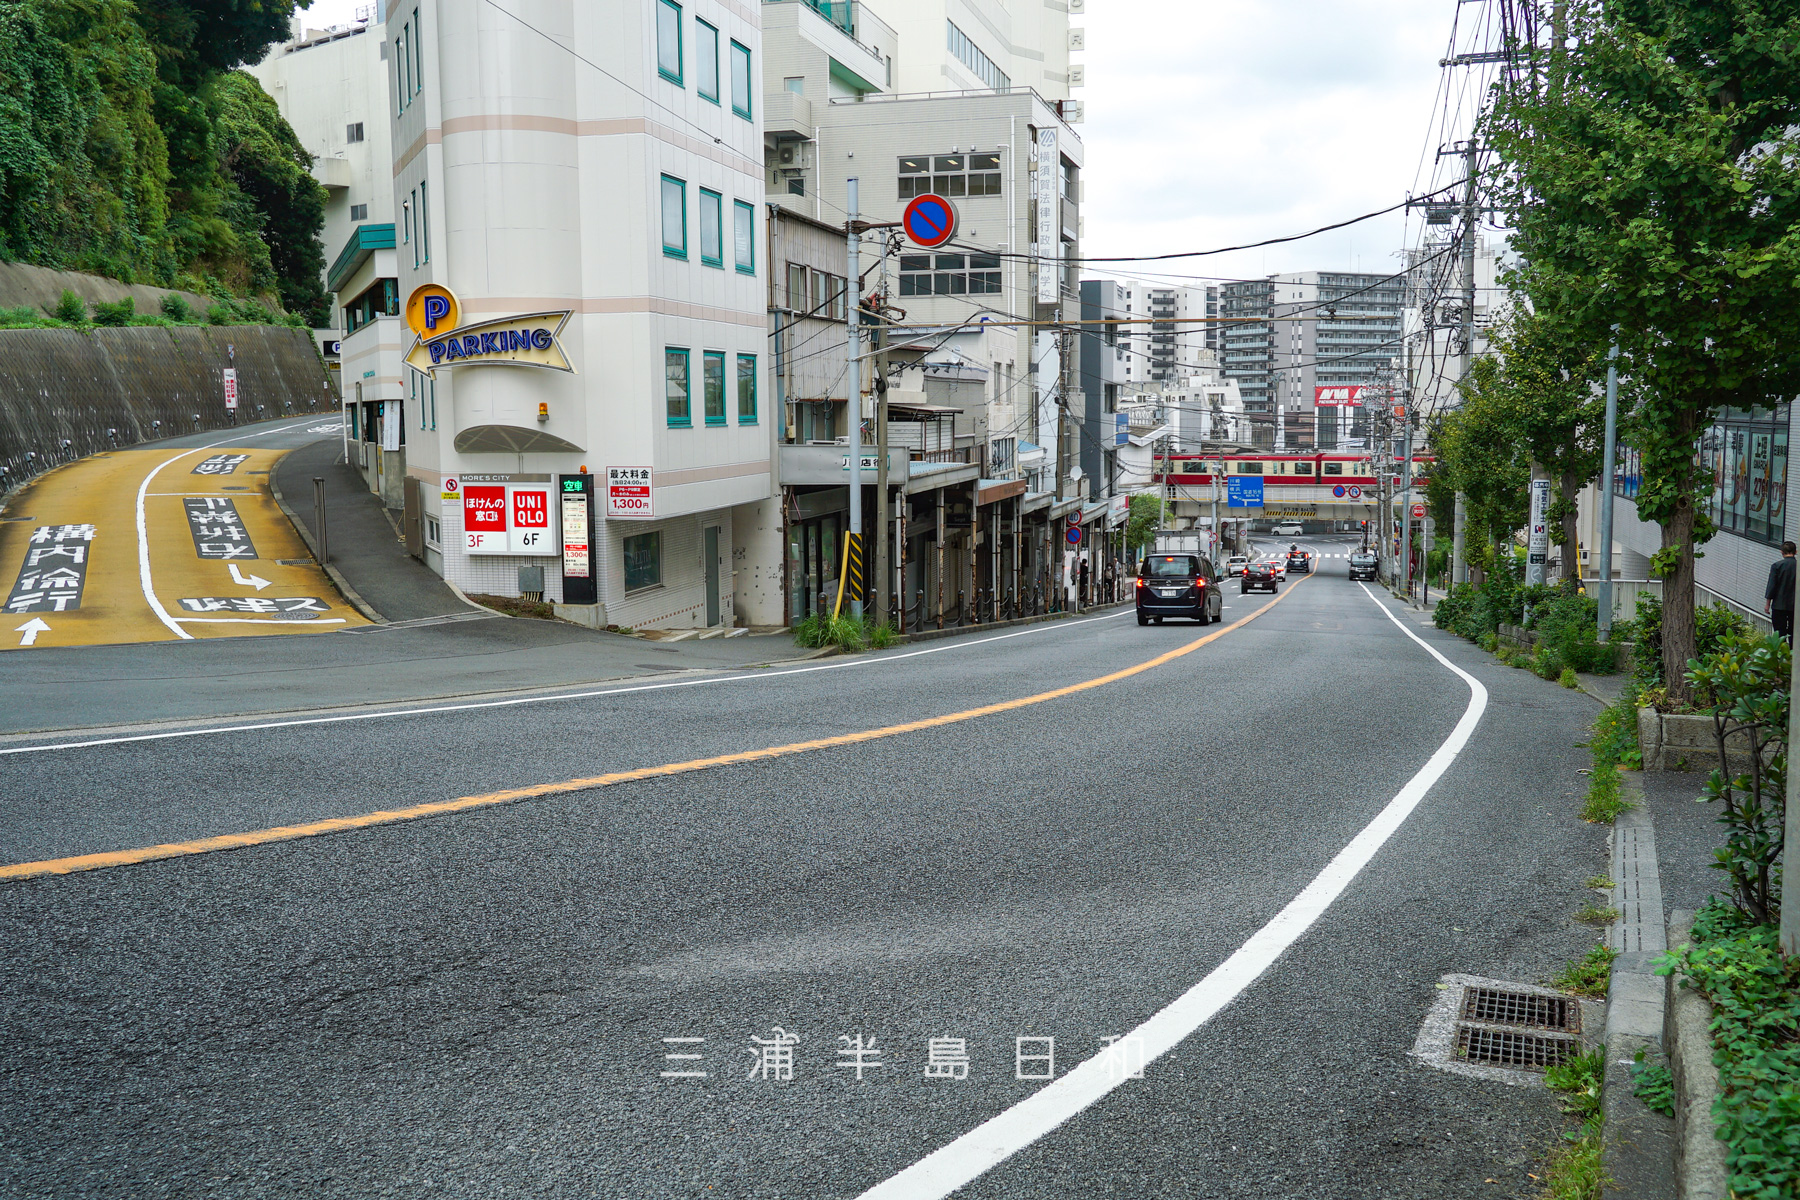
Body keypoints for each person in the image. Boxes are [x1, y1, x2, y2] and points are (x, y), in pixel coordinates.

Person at [1766, 541, 1796, 642]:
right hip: (1795, 606)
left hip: (1779, 605)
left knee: (1779, 633)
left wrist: (1767, 604)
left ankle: (1782, 654)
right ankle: (1793, 655)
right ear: (1796, 552)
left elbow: (1771, 586)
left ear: (1782, 552)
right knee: (1794, 633)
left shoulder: (1777, 566)